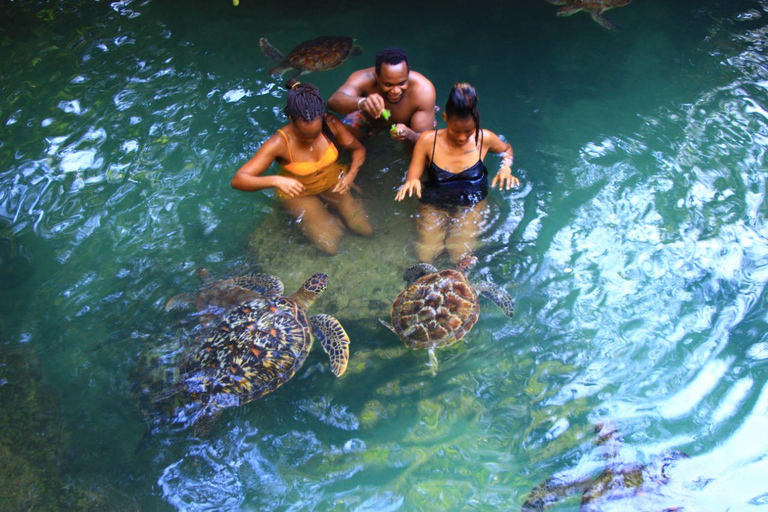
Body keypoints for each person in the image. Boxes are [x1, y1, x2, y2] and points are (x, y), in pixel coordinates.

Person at [232, 82, 373, 255]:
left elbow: (358, 149)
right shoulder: (279, 142)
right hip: (299, 191)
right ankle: (328, 218)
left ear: (322, 118)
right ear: (291, 119)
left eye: (315, 135)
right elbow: (239, 179)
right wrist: (275, 180)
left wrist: (351, 174)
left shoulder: (331, 124)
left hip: (332, 180)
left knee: (365, 230)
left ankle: (330, 212)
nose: (310, 141)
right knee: (330, 246)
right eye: (304, 136)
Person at [395, 83, 519, 264]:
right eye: (456, 131)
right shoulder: (428, 140)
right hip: (435, 201)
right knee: (427, 256)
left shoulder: (485, 138)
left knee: (460, 257)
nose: (462, 137)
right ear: (445, 118)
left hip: (472, 204)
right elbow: (413, 174)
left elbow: (506, 149)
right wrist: (411, 181)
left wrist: (506, 167)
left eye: (468, 132)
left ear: (476, 122)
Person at [327, 48, 436, 148]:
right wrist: (362, 103)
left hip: (409, 125)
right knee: (336, 139)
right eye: (388, 85)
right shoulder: (364, 78)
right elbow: (333, 101)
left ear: (408, 74)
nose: (395, 91)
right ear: (377, 76)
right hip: (369, 119)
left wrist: (409, 135)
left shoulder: (423, 90)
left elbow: (424, 143)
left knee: (417, 152)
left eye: (402, 83)